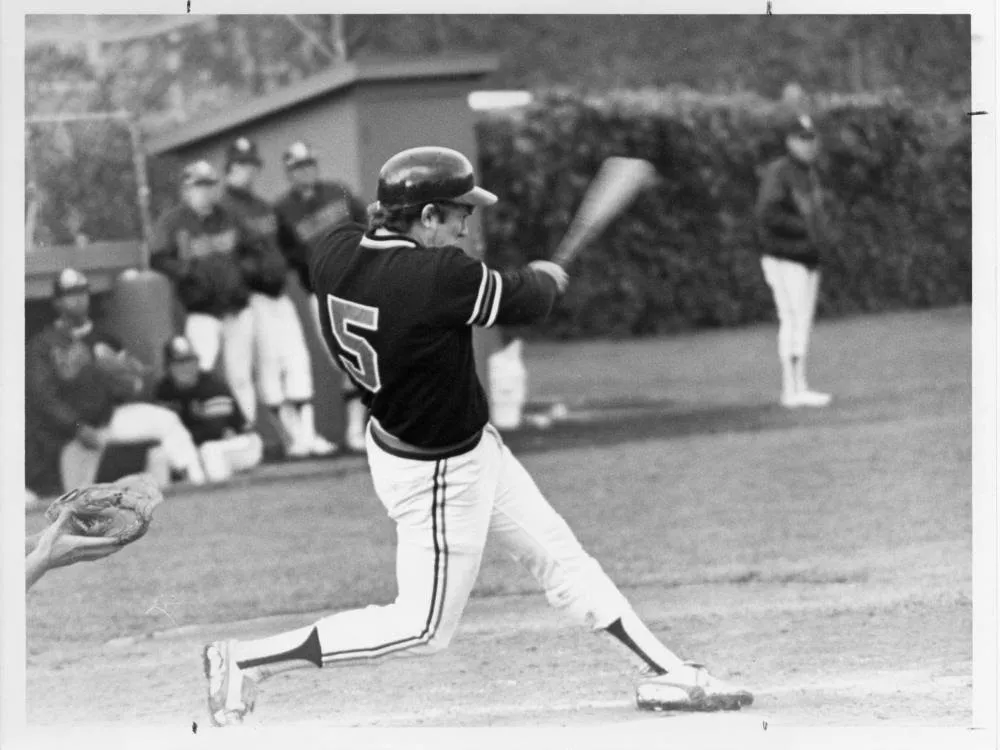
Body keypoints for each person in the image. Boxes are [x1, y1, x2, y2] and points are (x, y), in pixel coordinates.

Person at [201, 147, 754, 727]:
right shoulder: (440, 276)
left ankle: (666, 672)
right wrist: (545, 277)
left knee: (560, 557)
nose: (465, 225)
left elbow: (397, 247)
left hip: (446, 442)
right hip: (437, 471)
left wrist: (531, 280)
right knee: (421, 628)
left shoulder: (334, 250)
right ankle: (246, 660)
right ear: (427, 216)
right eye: (456, 213)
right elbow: (529, 298)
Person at [25, 268, 206, 499]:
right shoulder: (43, 346)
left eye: (82, 292)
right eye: (70, 294)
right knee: (75, 500)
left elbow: (129, 387)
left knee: (167, 422)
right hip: (71, 436)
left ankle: (199, 485)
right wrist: (77, 427)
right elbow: (43, 399)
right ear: (57, 302)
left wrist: (130, 382)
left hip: (108, 420)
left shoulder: (103, 338)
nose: (78, 299)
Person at [218, 137, 336, 458]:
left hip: (279, 294)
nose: (248, 171)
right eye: (241, 165)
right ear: (229, 167)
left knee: (297, 359)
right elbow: (228, 254)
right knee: (269, 367)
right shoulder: (224, 209)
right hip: (252, 298)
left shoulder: (261, 206)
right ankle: (289, 438)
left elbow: (288, 245)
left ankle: (308, 435)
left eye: (251, 165)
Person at [275, 141, 370, 453]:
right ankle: (356, 431)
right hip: (322, 293)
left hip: (357, 285)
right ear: (290, 173)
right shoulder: (283, 209)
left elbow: (368, 225)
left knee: (365, 354)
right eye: (299, 167)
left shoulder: (337, 191)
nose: (306, 171)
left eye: (309, 164)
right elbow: (287, 254)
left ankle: (359, 430)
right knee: (345, 359)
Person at [150, 160, 258, 425]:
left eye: (210, 184)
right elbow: (157, 258)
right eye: (200, 185)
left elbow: (252, 248)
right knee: (200, 371)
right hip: (201, 309)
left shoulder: (228, 216)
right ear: (186, 188)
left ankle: (247, 428)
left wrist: (242, 273)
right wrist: (186, 271)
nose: (206, 190)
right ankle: (204, 429)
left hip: (237, 307)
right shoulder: (173, 221)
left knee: (241, 375)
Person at [754, 114, 833, 408]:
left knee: (802, 321)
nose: (809, 144)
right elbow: (768, 214)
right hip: (785, 257)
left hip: (805, 257)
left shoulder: (807, 173)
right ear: (789, 141)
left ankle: (800, 386)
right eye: (802, 138)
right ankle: (791, 389)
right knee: (792, 319)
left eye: (811, 138)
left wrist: (817, 240)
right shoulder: (780, 172)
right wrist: (807, 232)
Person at [155, 335, 264, 483]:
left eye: (190, 361)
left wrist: (182, 438)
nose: (186, 367)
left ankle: (223, 495)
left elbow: (215, 431)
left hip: (242, 444)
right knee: (161, 454)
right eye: (179, 363)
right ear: (168, 367)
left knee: (209, 451)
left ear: (197, 362)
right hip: (200, 444)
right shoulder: (164, 390)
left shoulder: (212, 386)